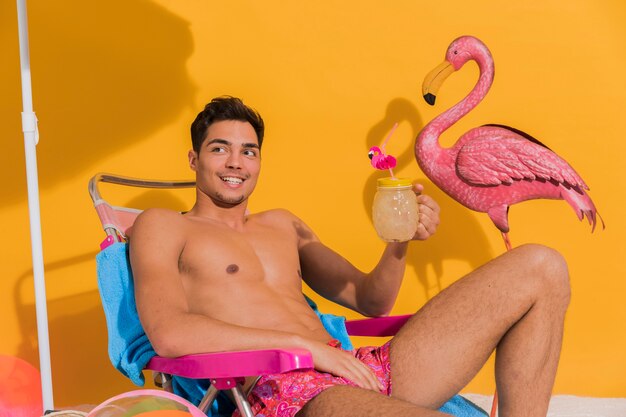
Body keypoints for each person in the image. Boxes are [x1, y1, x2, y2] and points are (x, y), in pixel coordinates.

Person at [129, 96, 570, 417]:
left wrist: (400, 240)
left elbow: (369, 299)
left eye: (249, 151)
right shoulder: (164, 226)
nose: (235, 163)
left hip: (357, 368)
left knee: (543, 267)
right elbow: (169, 332)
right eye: (219, 148)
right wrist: (306, 350)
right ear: (193, 158)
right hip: (288, 388)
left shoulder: (283, 224)